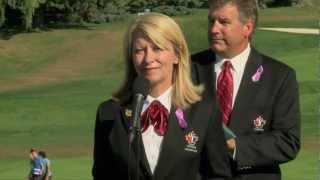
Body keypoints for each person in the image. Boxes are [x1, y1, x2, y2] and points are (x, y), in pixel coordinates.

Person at [92, 12, 232, 180]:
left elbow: (219, 176)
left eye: (157, 48)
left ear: (177, 55)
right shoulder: (109, 113)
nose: (148, 58)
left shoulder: (204, 111)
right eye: (139, 50)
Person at [191, 0, 301, 179]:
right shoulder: (186, 69)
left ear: (247, 28)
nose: (213, 30)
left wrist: (234, 145)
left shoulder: (279, 76)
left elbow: (288, 142)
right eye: (211, 21)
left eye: (224, 22)